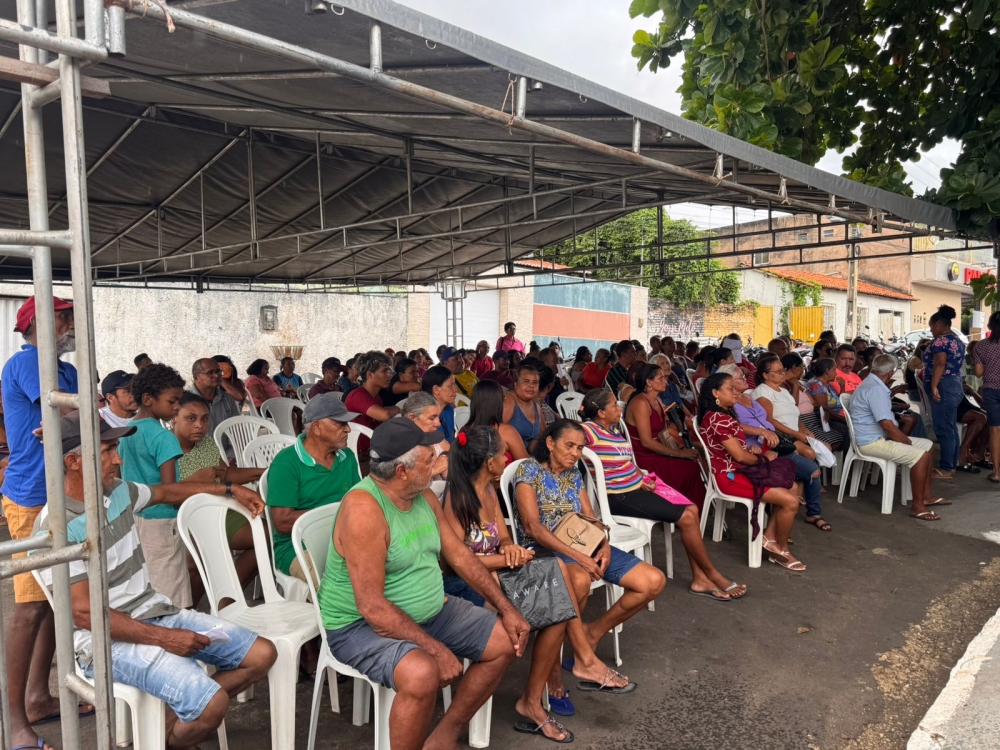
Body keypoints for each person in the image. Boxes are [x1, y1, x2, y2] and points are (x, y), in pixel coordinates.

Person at [37, 411, 277, 750]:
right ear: (73, 462)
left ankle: (161, 731)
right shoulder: (56, 528)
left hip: (155, 611)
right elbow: (84, 614)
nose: (118, 459)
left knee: (262, 654)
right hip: (104, 641)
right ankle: (173, 736)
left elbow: (166, 492)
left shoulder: (117, 491)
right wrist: (166, 638)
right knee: (211, 705)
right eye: (107, 451)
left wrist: (230, 488)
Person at [318, 419, 529, 750]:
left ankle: (446, 733)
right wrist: (434, 648)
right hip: (359, 626)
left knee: (506, 640)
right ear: (402, 471)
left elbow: (460, 556)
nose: (439, 461)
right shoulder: (364, 510)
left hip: (431, 611)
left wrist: (507, 608)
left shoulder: (423, 495)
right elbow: (372, 607)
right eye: (430, 458)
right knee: (422, 673)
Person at [443, 426, 619, 740]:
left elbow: (503, 537)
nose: (506, 458)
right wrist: (505, 560)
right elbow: (456, 563)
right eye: (502, 454)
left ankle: (532, 700)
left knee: (558, 596)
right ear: (489, 462)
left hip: (496, 575)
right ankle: (569, 671)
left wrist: (509, 548)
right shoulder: (457, 499)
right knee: (555, 597)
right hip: (465, 586)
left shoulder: (489, 491)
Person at [514, 420, 664, 679]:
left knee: (653, 581)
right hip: (543, 549)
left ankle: (593, 632)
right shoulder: (529, 470)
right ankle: (561, 663)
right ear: (550, 443)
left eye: (580, 448)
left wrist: (604, 544)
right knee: (580, 580)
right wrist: (578, 557)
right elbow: (532, 527)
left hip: (584, 545)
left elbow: (590, 517)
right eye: (569, 446)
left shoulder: (573, 473)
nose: (576, 453)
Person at [2, 295, 85, 750]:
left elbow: (81, 414)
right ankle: (14, 723)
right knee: (31, 608)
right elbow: (72, 413)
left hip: (61, 491)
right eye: (63, 316)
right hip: (32, 497)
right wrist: (90, 409)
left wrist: (88, 410)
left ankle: (37, 697)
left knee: (56, 602)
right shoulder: (28, 363)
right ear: (37, 323)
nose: (71, 322)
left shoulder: (65, 370)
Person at [581, 388, 745, 600]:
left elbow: (627, 462)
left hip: (637, 487)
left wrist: (642, 478)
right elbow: (562, 435)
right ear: (601, 413)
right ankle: (712, 574)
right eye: (614, 405)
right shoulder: (589, 430)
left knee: (691, 509)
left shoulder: (613, 430)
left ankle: (700, 579)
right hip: (619, 496)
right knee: (687, 517)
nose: (619, 408)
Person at [698, 372, 806, 570]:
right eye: (730, 389)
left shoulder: (722, 414)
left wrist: (751, 450)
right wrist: (763, 458)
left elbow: (735, 449)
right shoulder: (719, 419)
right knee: (790, 500)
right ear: (715, 393)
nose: (735, 392)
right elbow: (739, 457)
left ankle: (769, 537)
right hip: (729, 476)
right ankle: (782, 550)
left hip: (739, 469)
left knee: (791, 487)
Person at [173, 392, 265, 603]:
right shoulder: (167, 447)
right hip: (185, 515)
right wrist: (201, 480)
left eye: (205, 419)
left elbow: (225, 474)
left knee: (265, 538)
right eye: (191, 418)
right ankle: (189, 611)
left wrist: (263, 471)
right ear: (174, 417)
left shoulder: (206, 443)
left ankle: (228, 600)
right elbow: (167, 490)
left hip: (221, 510)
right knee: (196, 565)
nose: (199, 425)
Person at [265, 394, 361, 583]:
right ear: (317, 427)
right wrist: (337, 510)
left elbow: (358, 500)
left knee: (388, 565)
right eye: (340, 423)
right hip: (298, 546)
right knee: (338, 587)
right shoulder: (287, 463)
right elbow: (282, 523)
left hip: (344, 537)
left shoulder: (346, 456)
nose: (348, 429)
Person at [118, 363, 193, 606]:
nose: (177, 406)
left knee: (146, 580)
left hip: (134, 516)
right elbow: (170, 490)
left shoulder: (124, 431)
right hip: (162, 520)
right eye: (172, 401)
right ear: (148, 399)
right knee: (171, 591)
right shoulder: (164, 437)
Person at [722, 364, 826, 532]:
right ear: (728, 383)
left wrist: (781, 436)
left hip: (774, 445)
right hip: (755, 449)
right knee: (791, 483)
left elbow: (770, 420)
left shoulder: (748, 397)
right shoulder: (729, 403)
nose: (745, 378)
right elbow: (732, 426)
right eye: (740, 377)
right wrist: (762, 431)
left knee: (812, 471)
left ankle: (811, 514)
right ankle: (776, 530)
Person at [849, 355, 948, 519]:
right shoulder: (875, 389)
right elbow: (887, 426)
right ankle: (917, 507)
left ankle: (926, 496)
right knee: (920, 456)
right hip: (871, 442)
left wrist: (905, 441)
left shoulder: (872, 384)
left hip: (877, 438)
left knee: (928, 446)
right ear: (890, 373)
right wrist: (906, 442)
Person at [624, 364, 706, 509]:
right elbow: (647, 442)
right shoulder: (641, 403)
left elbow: (664, 430)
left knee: (694, 459)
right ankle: (681, 508)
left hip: (657, 449)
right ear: (649, 382)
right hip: (645, 456)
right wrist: (678, 453)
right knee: (690, 468)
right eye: (661, 378)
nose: (666, 382)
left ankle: (691, 508)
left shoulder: (657, 400)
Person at [923, 305, 965, 478]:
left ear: (938, 324)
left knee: (943, 427)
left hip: (943, 386)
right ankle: (951, 464)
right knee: (950, 426)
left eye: (931, 326)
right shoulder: (957, 340)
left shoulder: (941, 341)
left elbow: (940, 363)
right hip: (954, 384)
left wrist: (934, 385)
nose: (931, 330)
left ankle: (946, 468)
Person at [752, 354, 816, 460]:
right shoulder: (762, 392)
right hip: (780, 435)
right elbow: (768, 420)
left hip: (793, 433)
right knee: (809, 453)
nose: (783, 373)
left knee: (823, 448)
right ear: (766, 375)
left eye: (783, 370)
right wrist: (796, 434)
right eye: (778, 371)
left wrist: (803, 429)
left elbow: (795, 414)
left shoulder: (784, 391)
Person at [345, 351, 401, 473]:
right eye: (384, 371)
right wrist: (398, 408)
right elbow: (384, 415)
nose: (389, 375)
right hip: (359, 457)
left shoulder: (376, 397)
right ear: (370, 374)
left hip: (373, 452)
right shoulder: (357, 395)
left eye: (389, 371)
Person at [466, 380, 530, 464]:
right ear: (498, 403)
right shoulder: (506, 431)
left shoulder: (464, 431)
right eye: (503, 399)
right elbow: (527, 466)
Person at [974, 311, 1000, 482]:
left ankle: (996, 473)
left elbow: (978, 373)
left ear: (990, 326)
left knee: (995, 430)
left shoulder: (981, 346)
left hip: (991, 390)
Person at [802, 357, 850, 448]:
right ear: (827, 371)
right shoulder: (816, 385)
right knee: (848, 431)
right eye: (834, 370)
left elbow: (839, 402)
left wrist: (842, 387)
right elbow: (824, 409)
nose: (836, 373)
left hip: (837, 417)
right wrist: (845, 421)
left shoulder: (827, 384)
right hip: (827, 421)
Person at [190, 358, 240, 434]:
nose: (216, 375)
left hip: (228, 442)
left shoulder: (227, 398)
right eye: (210, 373)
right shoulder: (186, 402)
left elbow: (237, 427)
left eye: (218, 371)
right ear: (196, 377)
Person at [503, 364, 545, 454]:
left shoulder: (536, 404)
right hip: (508, 457)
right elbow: (496, 432)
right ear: (516, 384)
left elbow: (543, 433)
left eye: (535, 382)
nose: (531, 386)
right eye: (526, 382)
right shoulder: (509, 400)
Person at [422, 364, 459, 442]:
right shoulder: (424, 416)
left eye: (454, 385)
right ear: (436, 389)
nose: (455, 390)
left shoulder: (449, 410)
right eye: (450, 386)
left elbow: (452, 440)